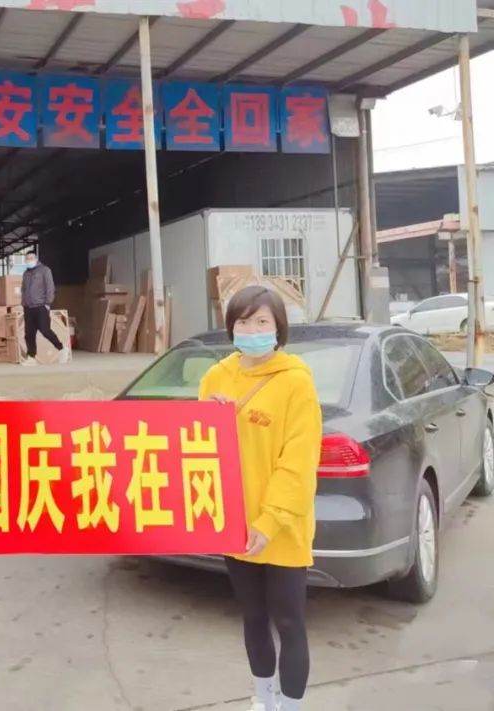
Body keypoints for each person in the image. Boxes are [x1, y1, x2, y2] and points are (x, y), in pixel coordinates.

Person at [198, 286, 322, 711]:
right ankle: (264, 698)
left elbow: (298, 463)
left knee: (289, 621)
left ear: (278, 328)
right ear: (231, 327)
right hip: (236, 524)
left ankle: (291, 707)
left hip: (281, 527)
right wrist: (207, 415)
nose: (252, 330)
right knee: (252, 617)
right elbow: (198, 449)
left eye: (262, 322)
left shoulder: (296, 382)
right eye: (243, 322)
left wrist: (269, 522)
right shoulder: (216, 377)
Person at [20, 250, 66, 366]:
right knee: (29, 333)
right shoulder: (26, 273)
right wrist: (23, 302)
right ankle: (31, 357)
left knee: (45, 330)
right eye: (27, 259)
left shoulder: (45, 270)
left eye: (31, 258)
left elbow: (50, 287)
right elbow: (23, 289)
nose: (29, 260)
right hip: (28, 307)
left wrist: (47, 303)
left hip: (41, 306)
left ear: (36, 259)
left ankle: (61, 348)